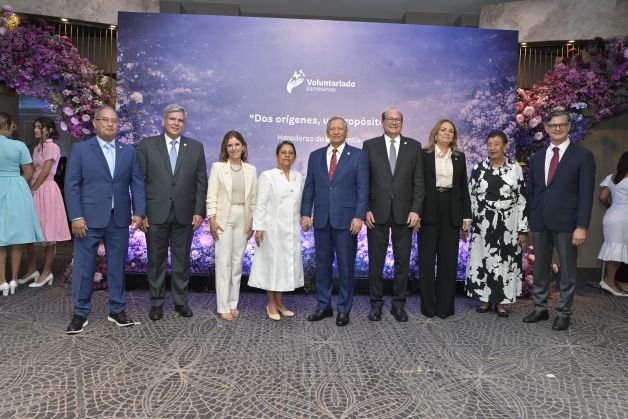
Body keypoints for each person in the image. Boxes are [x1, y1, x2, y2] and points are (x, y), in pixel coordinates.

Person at [64, 105, 146, 334]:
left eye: (114, 120)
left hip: (118, 218)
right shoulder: (81, 150)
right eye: (106, 120)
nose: (111, 124)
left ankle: (117, 310)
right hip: (87, 220)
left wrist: (139, 212)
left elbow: (137, 182)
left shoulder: (128, 152)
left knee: (117, 266)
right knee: (84, 266)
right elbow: (72, 185)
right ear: (95, 123)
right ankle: (80, 313)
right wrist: (76, 216)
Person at [524, 108, 595, 331]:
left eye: (562, 124)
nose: (557, 128)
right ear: (546, 128)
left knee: (567, 270)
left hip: (567, 222)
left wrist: (581, 226)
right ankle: (540, 308)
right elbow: (532, 192)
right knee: (540, 268)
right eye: (553, 125)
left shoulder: (583, 156)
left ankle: (564, 313)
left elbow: (586, 194)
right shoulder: (536, 158)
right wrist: (530, 220)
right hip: (540, 221)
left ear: (569, 127)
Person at [138, 104, 208, 321]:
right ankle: (156, 303)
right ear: (163, 121)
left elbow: (201, 182)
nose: (176, 123)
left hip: (185, 214)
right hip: (154, 214)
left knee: (182, 261)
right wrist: (141, 212)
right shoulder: (147, 145)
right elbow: (139, 181)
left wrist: (199, 211)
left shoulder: (195, 147)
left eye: (180, 120)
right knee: (155, 261)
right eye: (172, 119)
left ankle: (181, 302)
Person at [300, 117, 369, 327]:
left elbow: (362, 189)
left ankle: (344, 309)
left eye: (340, 129)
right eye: (332, 129)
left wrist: (358, 216)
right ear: (327, 132)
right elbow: (309, 187)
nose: (336, 132)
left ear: (346, 133)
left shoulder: (358, 155)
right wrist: (305, 213)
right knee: (322, 266)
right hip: (321, 220)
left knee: (346, 267)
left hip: (347, 221)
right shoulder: (315, 156)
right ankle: (324, 306)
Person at [362, 108, 424, 322]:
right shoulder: (370, 146)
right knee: (376, 263)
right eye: (390, 119)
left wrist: (416, 210)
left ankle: (399, 305)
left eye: (398, 119)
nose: (394, 122)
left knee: (402, 262)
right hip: (376, 213)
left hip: (405, 213)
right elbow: (364, 181)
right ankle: (375, 305)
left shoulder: (414, 146)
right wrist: (366, 209)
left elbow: (419, 182)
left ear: (402, 123)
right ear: (382, 122)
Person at [466, 130, 529, 317]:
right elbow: (470, 196)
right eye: (489, 144)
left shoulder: (515, 168)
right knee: (483, 259)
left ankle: (502, 301)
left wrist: (523, 229)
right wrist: (469, 221)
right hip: (483, 223)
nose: (492, 148)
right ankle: (485, 299)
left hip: (508, 224)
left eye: (497, 144)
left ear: (505, 146)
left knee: (505, 262)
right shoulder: (479, 168)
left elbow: (522, 199)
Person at [418, 119, 471, 319]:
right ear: (436, 133)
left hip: (452, 210)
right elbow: (417, 185)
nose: (447, 133)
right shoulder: (423, 155)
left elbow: (463, 188)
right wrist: (416, 212)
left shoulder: (459, 157)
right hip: (428, 210)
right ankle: (428, 307)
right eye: (443, 130)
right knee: (426, 261)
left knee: (448, 262)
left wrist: (467, 215)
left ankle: (445, 308)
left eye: (451, 131)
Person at [248, 141, 304, 320]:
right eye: (283, 152)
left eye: (290, 153)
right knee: (272, 266)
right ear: (277, 156)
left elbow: (300, 203)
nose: (287, 155)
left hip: (291, 230)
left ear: (294, 157)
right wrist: (259, 227)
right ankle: (271, 303)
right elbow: (260, 203)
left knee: (283, 267)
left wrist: (306, 218)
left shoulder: (298, 177)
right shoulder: (268, 176)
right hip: (271, 229)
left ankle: (280, 302)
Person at [206, 130, 257, 320]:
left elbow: (254, 199)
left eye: (237, 144)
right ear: (225, 149)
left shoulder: (251, 170)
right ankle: (223, 306)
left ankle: (233, 303)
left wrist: (253, 221)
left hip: (243, 218)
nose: (234, 148)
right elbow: (211, 195)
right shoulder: (218, 167)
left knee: (237, 263)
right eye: (230, 145)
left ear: (243, 147)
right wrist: (211, 218)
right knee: (223, 262)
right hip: (223, 219)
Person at [20, 117, 71, 288]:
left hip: (47, 189)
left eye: (39, 127)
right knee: (31, 229)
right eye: (34, 127)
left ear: (48, 130)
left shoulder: (53, 147)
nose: (35, 130)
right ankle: (32, 269)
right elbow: (33, 170)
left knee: (49, 231)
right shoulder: (36, 148)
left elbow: (46, 171)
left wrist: (33, 189)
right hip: (35, 188)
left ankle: (47, 271)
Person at [0, 112, 44, 297]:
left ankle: (2, 281)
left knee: (0, 238)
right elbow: (29, 172)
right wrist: (16, 183)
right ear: (7, 125)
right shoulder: (19, 146)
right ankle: (13, 280)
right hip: (16, 189)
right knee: (16, 237)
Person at [597, 151, 628, 296]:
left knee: (614, 247)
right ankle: (609, 281)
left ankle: (611, 281)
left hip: (612, 215)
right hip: (624, 217)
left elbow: (602, 197)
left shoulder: (612, 177)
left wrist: (611, 207)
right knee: (617, 249)